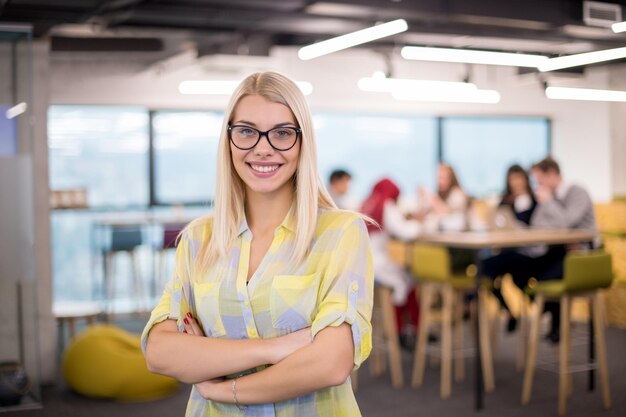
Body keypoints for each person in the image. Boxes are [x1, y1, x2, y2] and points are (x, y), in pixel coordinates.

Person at [142, 72, 374, 416]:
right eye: (247, 131)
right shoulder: (197, 240)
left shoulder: (341, 233)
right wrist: (276, 348)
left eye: (282, 133)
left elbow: (331, 363)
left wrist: (223, 384)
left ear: (302, 142)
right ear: (229, 140)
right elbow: (160, 352)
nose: (263, 148)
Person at [483, 157, 598, 342]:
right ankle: (552, 315)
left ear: (552, 174)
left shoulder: (576, 193)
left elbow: (567, 223)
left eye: (539, 179)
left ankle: (554, 316)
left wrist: (549, 202)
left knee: (537, 274)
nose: (537, 184)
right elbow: (537, 225)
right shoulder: (548, 198)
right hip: (555, 252)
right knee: (515, 265)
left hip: (581, 259)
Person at [360, 178, 422, 349]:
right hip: (378, 264)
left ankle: (406, 329)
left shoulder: (367, 203)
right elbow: (405, 232)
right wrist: (419, 224)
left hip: (364, 264)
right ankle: (401, 330)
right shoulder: (387, 205)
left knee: (405, 277)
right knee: (406, 280)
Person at [489, 164, 538, 332]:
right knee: (488, 277)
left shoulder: (533, 200)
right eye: (512, 179)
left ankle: (542, 302)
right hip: (506, 249)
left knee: (488, 269)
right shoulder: (505, 201)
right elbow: (496, 222)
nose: (516, 182)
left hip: (525, 252)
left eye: (519, 178)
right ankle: (508, 311)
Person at [417, 163, 469, 232]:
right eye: (438, 178)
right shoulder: (439, 194)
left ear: (451, 179)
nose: (440, 182)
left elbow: (446, 214)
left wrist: (432, 199)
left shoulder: (457, 194)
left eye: (443, 178)